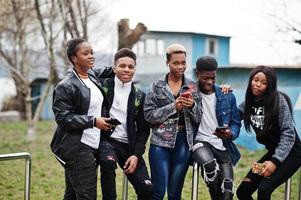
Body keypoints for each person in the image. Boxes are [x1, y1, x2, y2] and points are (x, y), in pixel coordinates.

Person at [50, 37, 114, 200]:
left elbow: (105, 71)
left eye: (92, 52)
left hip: (93, 144)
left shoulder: (91, 74)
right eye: (86, 53)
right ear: (74, 58)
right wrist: (93, 121)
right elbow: (63, 118)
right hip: (78, 148)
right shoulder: (66, 86)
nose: (91, 56)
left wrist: (119, 67)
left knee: (72, 195)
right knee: (87, 196)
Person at [144, 44, 202, 200]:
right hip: (160, 144)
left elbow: (199, 118)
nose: (181, 66)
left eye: (183, 63)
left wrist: (192, 106)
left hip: (183, 143)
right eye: (176, 63)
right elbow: (149, 116)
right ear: (167, 63)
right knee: (158, 191)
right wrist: (173, 107)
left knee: (175, 193)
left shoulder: (192, 86)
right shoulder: (156, 87)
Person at [236, 65, 301, 200]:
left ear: (270, 86)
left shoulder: (278, 101)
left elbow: (289, 134)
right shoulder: (248, 103)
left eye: (264, 82)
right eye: (256, 80)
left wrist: (275, 161)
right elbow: (232, 117)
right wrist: (223, 93)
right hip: (273, 152)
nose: (258, 84)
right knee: (243, 191)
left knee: (264, 190)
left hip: (292, 153)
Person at [98, 48, 153, 200]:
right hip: (106, 142)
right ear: (114, 67)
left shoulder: (140, 96)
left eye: (131, 66)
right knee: (108, 164)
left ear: (135, 69)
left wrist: (136, 155)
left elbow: (143, 131)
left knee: (147, 189)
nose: (126, 69)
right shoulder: (101, 87)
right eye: (122, 66)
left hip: (129, 147)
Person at [192, 56, 241, 200]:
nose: (209, 82)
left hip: (221, 145)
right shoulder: (190, 93)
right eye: (205, 78)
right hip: (200, 143)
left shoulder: (227, 96)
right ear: (197, 74)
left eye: (213, 78)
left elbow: (236, 122)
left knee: (227, 190)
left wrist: (230, 133)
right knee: (210, 166)